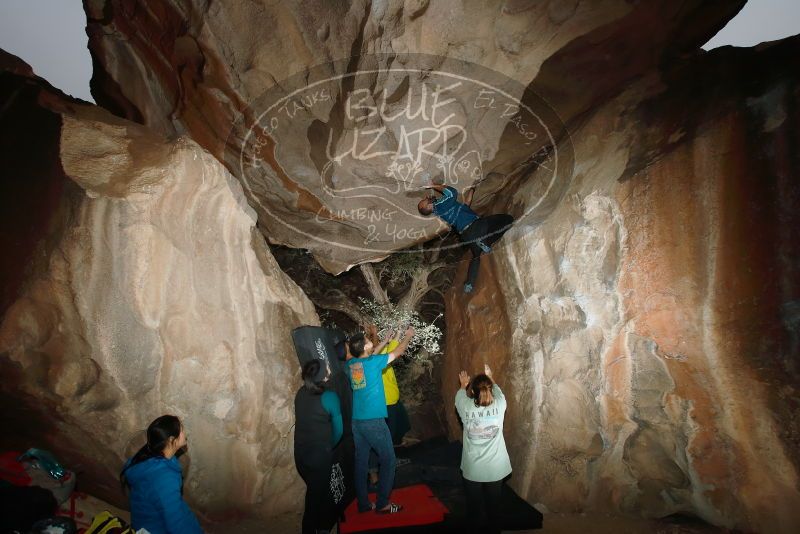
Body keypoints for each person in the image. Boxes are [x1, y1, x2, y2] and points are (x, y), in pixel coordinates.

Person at [345, 325, 415, 514]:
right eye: (368, 341)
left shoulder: (352, 364)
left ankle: (363, 504)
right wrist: (407, 336)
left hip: (357, 422)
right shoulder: (373, 363)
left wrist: (384, 340)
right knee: (389, 460)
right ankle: (383, 503)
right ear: (365, 348)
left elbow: (370, 354)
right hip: (373, 422)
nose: (370, 341)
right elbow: (398, 352)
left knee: (361, 462)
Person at [418, 183, 513, 293]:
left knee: (477, 255)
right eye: (425, 201)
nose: (426, 198)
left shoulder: (440, 211)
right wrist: (433, 184)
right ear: (428, 207)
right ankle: (483, 243)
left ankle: (469, 284)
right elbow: (452, 192)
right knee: (507, 219)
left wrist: (472, 189)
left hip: (467, 236)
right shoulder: (440, 205)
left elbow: (466, 205)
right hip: (476, 227)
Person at [120, 415, 203, 534]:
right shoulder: (165, 479)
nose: (185, 432)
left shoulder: (147, 458)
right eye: (181, 430)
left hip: (144, 522)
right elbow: (176, 524)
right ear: (170, 440)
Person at [455, 365, 512, 534]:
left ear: (472, 392)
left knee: (474, 511)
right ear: (490, 390)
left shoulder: (465, 406)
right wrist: (491, 377)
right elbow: (497, 391)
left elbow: (459, 395)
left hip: (473, 468)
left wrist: (463, 384)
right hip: (495, 467)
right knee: (494, 509)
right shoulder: (501, 404)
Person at [294, 359, 344, 534]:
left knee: (317, 492)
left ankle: (321, 525)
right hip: (318, 457)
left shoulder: (300, 393)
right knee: (314, 500)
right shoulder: (329, 397)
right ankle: (312, 529)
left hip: (300, 455)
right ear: (322, 375)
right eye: (327, 368)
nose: (329, 369)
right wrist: (329, 446)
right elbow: (339, 430)